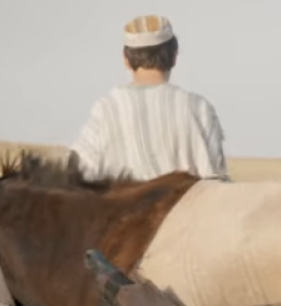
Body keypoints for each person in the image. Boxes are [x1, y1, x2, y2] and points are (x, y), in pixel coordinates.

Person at [69, 14, 229, 181]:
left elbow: (80, 173)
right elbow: (214, 180)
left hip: (125, 207)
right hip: (188, 206)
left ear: (126, 59)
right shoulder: (199, 108)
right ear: (174, 55)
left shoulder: (106, 109)